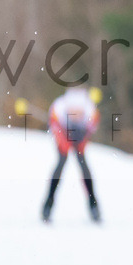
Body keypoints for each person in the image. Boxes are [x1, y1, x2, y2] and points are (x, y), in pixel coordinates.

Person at [41, 87, 102, 223]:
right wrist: (65, 142)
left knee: (84, 168)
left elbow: (93, 125)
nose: (76, 115)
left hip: (80, 137)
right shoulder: (59, 108)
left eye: (79, 113)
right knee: (61, 164)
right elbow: (54, 125)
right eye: (73, 112)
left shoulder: (90, 109)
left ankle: (94, 206)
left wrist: (83, 136)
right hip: (63, 135)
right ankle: (48, 205)